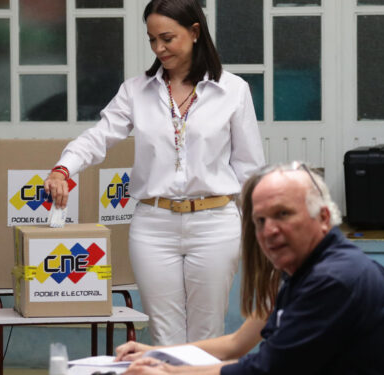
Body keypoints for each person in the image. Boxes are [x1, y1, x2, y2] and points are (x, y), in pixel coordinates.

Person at [43, 0, 264, 345]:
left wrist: (256, 230)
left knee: (207, 335)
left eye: (167, 38)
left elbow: (250, 169)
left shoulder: (233, 91)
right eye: (152, 40)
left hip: (215, 224)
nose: (159, 48)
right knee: (164, 336)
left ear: (194, 32)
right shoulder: (136, 90)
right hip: (153, 226)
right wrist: (63, 168)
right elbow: (99, 136)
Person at [116, 161, 384, 375]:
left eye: (283, 214)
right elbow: (240, 347)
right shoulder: (302, 274)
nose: (269, 231)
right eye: (260, 221)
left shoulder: (335, 280)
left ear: (324, 217)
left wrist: (169, 372)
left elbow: (267, 369)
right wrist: (161, 358)